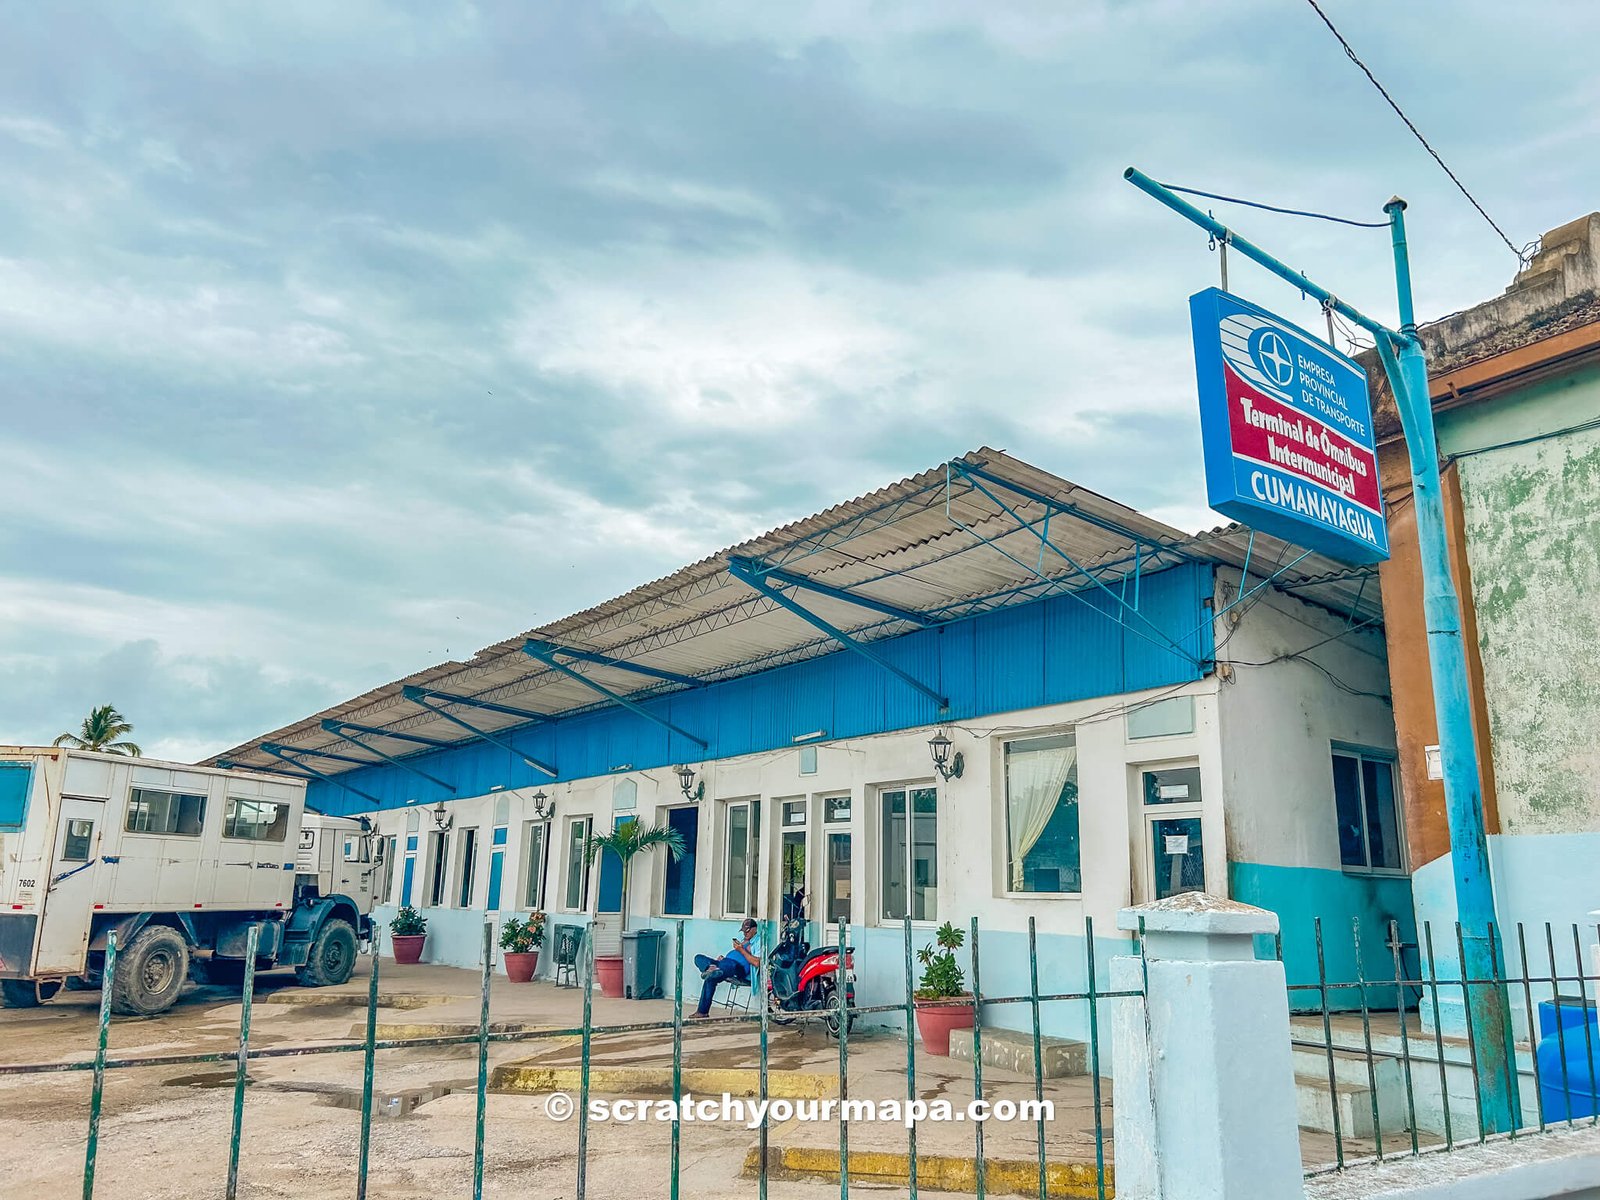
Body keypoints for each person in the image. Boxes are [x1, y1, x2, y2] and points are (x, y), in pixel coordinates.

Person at [691, 918, 760, 1018]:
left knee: (716, 973)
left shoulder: (758, 942)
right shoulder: (744, 940)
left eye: (747, 932)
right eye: (743, 932)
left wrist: (741, 950)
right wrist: (722, 959)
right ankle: (711, 969)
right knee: (698, 958)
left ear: (754, 929)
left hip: (737, 968)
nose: (745, 934)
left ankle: (713, 970)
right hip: (725, 963)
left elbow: (757, 962)